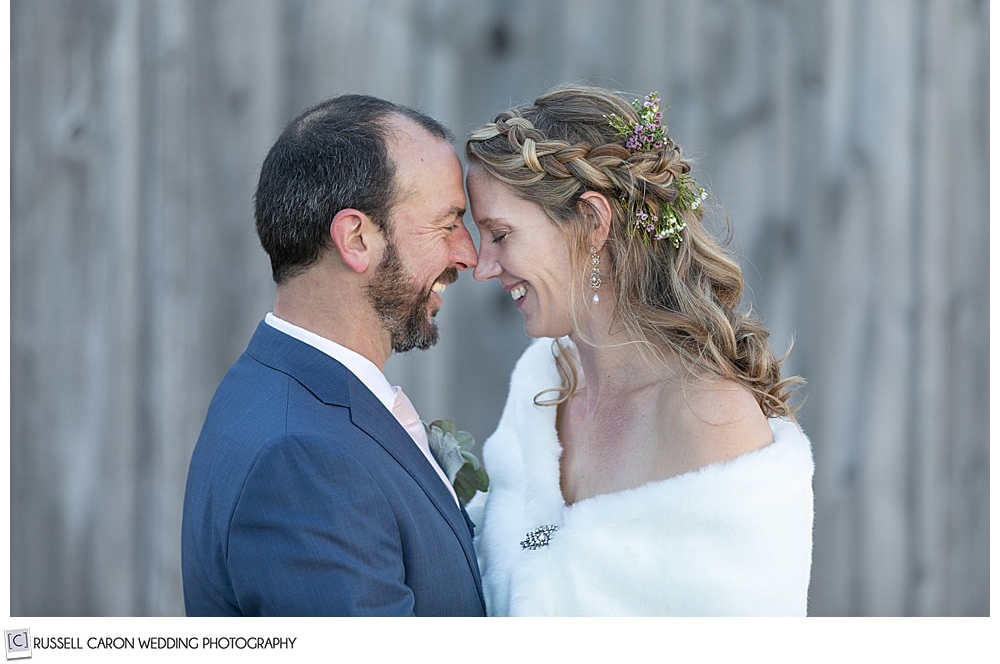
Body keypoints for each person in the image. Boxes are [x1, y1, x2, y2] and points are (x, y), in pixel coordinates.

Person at [463, 84, 814, 616]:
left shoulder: (709, 420)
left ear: (592, 222)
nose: (483, 266)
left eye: (501, 234)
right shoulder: (540, 383)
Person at [181, 94, 486, 616]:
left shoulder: (283, 394)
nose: (468, 254)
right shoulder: (301, 459)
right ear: (356, 238)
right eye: (447, 222)